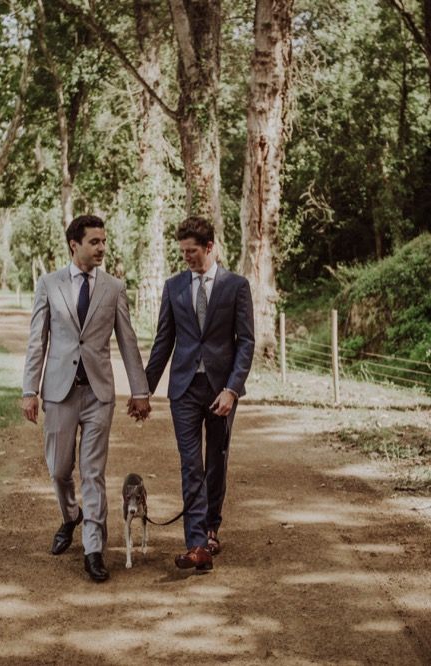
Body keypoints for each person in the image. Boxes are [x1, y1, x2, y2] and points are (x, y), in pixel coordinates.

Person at [21, 214, 151, 582]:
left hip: (98, 394)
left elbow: (127, 342)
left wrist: (139, 391)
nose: (102, 248)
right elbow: (37, 342)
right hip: (59, 393)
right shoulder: (48, 284)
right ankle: (70, 516)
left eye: (104, 242)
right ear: (74, 245)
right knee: (59, 470)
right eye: (94, 242)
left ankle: (94, 548)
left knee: (93, 472)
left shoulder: (113, 288)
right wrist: (30, 390)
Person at [145, 215, 254, 571]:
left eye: (192, 251)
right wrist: (143, 390)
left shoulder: (236, 286)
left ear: (209, 248)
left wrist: (232, 390)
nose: (186, 257)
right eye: (182, 251)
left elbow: (246, 343)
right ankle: (196, 544)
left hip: (221, 391)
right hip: (184, 390)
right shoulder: (173, 286)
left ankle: (211, 527)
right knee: (191, 465)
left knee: (216, 462)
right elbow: (164, 342)